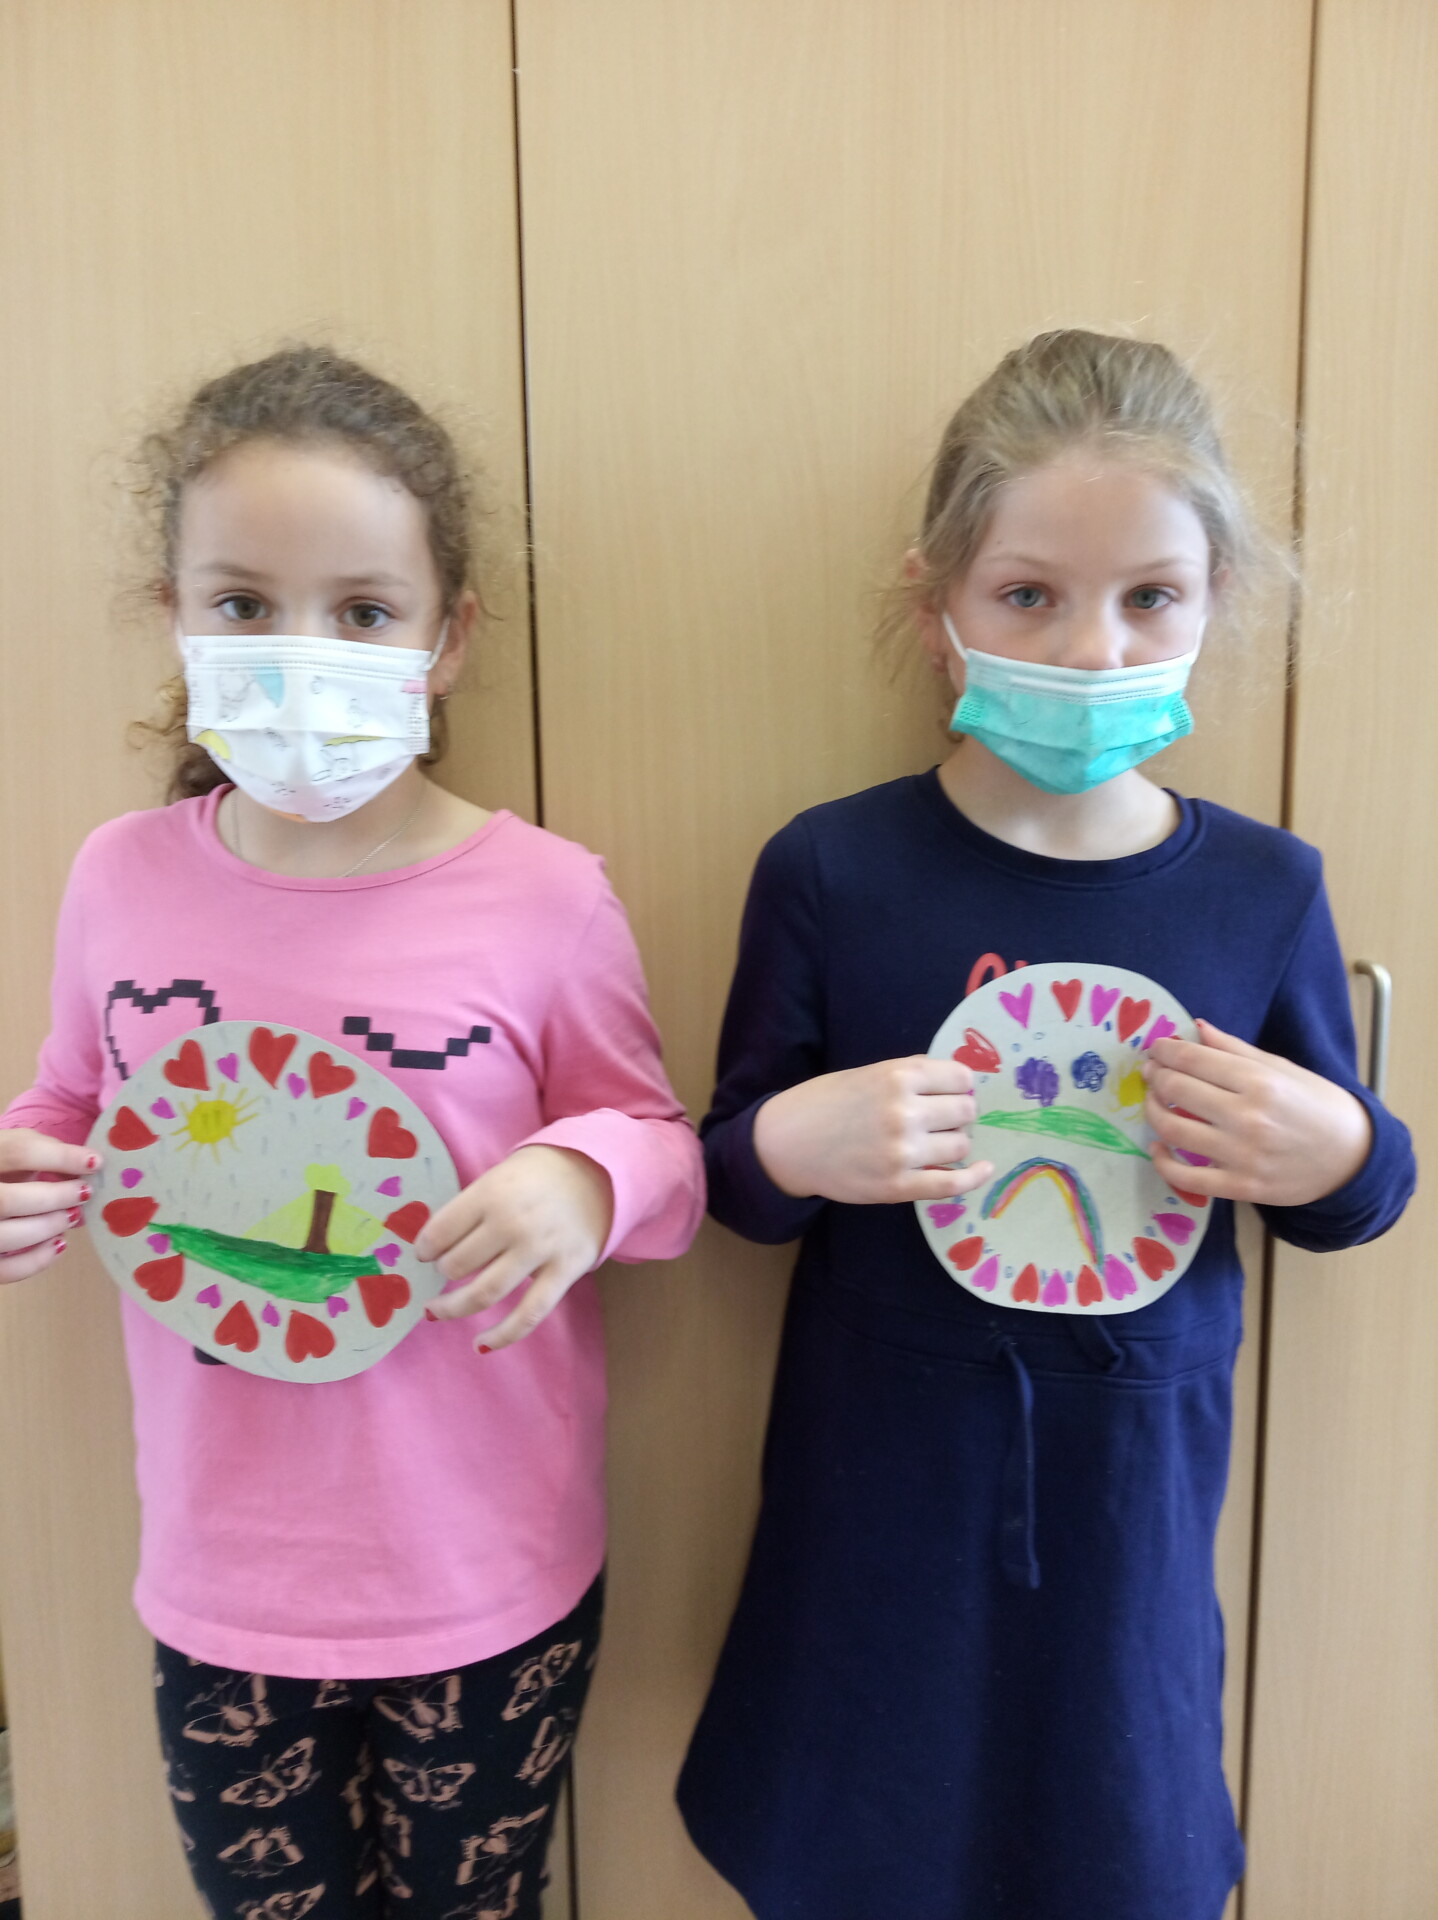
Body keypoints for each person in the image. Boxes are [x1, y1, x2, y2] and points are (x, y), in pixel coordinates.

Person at [676, 330, 1415, 1920]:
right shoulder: (832, 870)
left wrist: (1347, 1150)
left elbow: (1349, 1191)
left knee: (1111, 1840)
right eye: (1028, 595)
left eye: (1149, 596)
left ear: (1214, 599)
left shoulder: (1260, 888)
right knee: (861, 1841)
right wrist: (792, 1145)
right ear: (935, 603)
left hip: (1125, 1501)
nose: (1090, 648)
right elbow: (732, 1170)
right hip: (880, 1490)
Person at [0, 345, 705, 1919]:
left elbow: (663, 1153)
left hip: (483, 1573)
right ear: (177, 612)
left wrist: (580, 1177)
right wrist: (26, 1171)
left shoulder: (543, 896)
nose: (302, 654)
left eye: (364, 611)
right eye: (245, 605)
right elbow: (69, 1105)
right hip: (223, 1577)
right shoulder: (119, 876)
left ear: (448, 639)